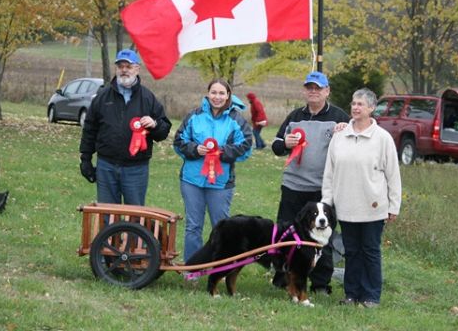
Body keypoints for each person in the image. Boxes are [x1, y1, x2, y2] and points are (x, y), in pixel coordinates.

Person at [271, 71, 350, 294]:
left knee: (322, 236)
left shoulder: (340, 117)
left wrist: (345, 131)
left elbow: (354, 144)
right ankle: (283, 277)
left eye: (318, 88)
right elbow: (276, 146)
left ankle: (320, 283)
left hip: (322, 189)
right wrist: (285, 143)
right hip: (292, 186)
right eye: (309, 88)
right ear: (304, 91)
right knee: (287, 233)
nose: (313, 92)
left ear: (327, 91)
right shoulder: (295, 116)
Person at [321, 88, 401, 308]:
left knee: (370, 251)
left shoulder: (383, 138)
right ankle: (351, 294)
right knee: (352, 251)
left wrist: (394, 205)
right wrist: (327, 203)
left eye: (360, 104)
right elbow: (330, 173)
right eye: (353, 103)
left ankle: (371, 295)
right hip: (345, 206)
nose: (355, 108)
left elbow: (393, 175)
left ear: (372, 108)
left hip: (373, 206)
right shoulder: (340, 136)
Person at [79, 49, 172, 206]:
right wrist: (85, 159)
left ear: (137, 69)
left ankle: (133, 232)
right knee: (107, 216)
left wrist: (154, 124)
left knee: (135, 217)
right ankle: (111, 232)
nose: (124, 70)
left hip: (136, 169)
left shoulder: (147, 98)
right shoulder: (102, 96)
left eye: (128, 66)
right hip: (106, 166)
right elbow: (90, 129)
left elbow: (163, 131)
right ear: (116, 69)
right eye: (120, 66)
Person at [174, 79, 253, 262]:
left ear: (228, 96)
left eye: (221, 93)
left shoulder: (236, 120)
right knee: (193, 227)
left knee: (222, 227)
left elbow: (246, 146)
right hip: (191, 181)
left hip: (221, 183)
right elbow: (179, 142)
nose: (217, 97)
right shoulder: (194, 116)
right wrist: (195, 149)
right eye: (214, 92)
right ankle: (192, 268)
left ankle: (219, 268)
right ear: (208, 94)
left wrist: (222, 152)